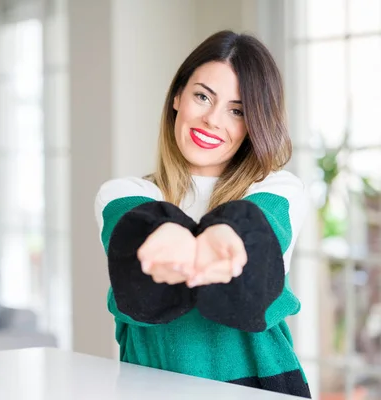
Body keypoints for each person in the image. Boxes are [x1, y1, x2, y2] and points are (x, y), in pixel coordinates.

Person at [94, 30, 310, 398]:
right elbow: (136, 226)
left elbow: (258, 225)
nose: (212, 119)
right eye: (202, 96)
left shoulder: (279, 190)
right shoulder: (123, 194)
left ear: (253, 123)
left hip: (262, 387)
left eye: (237, 110)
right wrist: (168, 239)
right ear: (178, 96)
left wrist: (224, 238)